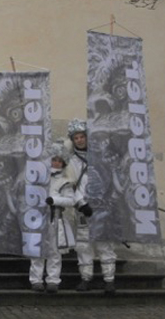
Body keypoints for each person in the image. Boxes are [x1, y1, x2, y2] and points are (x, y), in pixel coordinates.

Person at [66, 119, 115, 294]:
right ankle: (86, 278)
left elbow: (110, 180)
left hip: (102, 208)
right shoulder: (71, 162)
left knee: (104, 244)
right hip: (84, 210)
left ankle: (109, 279)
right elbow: (70, 186)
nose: (79, 140)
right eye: (76, 137)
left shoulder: (101, 158)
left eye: (82, 137)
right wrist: (81, 203)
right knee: (83, 245)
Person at [30, 140, 78, 294]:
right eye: (54, 159)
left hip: (55, 219)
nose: (56, 163)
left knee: (54, 251)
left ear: (63, 163)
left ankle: (53, 280)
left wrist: (54, 200)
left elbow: (71, 200)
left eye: (59, 161)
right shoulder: (39, 177)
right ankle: (36, 280)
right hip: (38, 218)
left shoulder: (66, 182)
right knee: (37, 250)